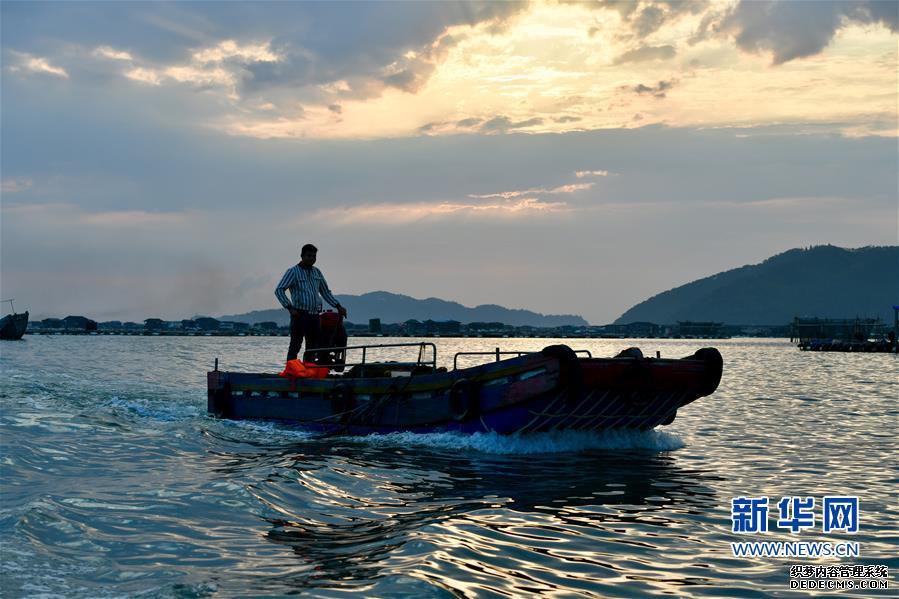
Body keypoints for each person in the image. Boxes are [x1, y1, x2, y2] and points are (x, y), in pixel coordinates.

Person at [274, 244, 348, 362]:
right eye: (309, 256)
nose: (312, 258)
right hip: (299, 315)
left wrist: (338, 306)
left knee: (313, 347)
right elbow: (279, 290)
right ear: (302, 256)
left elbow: (325, 292)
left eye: (314, 256)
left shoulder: (317, 272)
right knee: (295, 345)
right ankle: (290, 372)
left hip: (315, 316)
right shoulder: (293, 272)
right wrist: (290, 308)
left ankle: (310, 372)